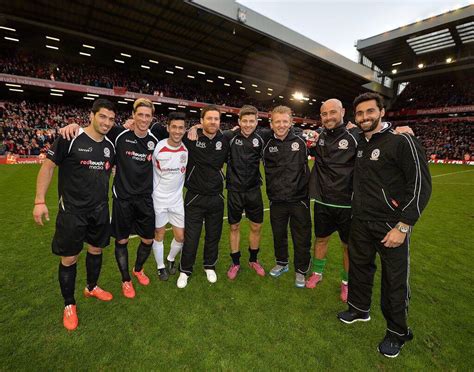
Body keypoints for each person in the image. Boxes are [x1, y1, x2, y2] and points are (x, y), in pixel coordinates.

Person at [337, 92, 432, 358]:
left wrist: (403, 226)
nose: (365, 117)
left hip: (392, 224)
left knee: (394, 280)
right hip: (361, 220)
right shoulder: (359, 141)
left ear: (381, 112)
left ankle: (397, 333)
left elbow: (420, 186)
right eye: (360, 114)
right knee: (359, 267)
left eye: (370, 112)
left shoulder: (402, 141)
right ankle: (358, 309)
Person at [60, 98, 167, 298]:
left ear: (152, 118)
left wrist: (195, 127)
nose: (144, 119)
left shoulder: (157, 139)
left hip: (145, 199)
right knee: (122, 241)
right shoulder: (118, 134)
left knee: (148, 239)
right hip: (122, 199)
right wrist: (75, 126)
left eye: (148, 115)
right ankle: (126, 279)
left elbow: (180, 135)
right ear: (133, 116)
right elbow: (93, 129)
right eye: (140, 114)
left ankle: (138, 269)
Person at [33, 99, 116, 331]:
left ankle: (91, 287)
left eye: (111, 119)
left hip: (100, 209)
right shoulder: (70, 138)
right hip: (72, 211)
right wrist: (39, 200)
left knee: (96, 249)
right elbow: (48, 167)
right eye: (102, 116)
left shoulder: (111, 145)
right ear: (92, 115)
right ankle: (69, 304)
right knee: (69, 258)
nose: (106, 122)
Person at [306, 99, 356, 301]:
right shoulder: (319, 137)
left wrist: (398, 130)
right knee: (320, 239)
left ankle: (346, 283)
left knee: (348, 246)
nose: (328, 117)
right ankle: (317, 274)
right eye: (324, 114)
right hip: (323, 201)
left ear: (343, 112)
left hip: (348, 203)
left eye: (332, 112)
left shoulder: (356, 136)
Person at [177, 105, 230, 288]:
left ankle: (209, 266)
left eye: (216, 119)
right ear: (202, 121)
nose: (213, 122)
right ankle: (185, 270)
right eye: (209, 118)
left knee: (213, 235)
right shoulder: (191, 137)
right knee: (191, 237)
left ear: (219, 122)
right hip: (195, 197)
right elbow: (166, 131)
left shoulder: (225, 140)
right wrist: (192, 128)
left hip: (216, 196)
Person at [262, 105, 311, 288]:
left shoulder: (303, 140)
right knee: (279, 235)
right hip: (277, 200)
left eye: (285, 121)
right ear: (271, 123)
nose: (281, 125)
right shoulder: (266, 142)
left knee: (301, 237)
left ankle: (301, 270)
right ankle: (282, 262)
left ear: (291, 122)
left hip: (299, 200)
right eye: (277, 122)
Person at [224, 105, 266, 280]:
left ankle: (254, 260)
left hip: (253, 190)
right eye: (245, 121)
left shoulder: (262, 138)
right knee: (234, 226)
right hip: (234, 190)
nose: (248, 125)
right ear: (239, 121)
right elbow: (208, 133)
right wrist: (195, 128)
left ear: (256, 122)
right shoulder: (229, 137)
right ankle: (235, 263)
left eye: (251, 121)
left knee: (256, 226)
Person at [151, 112, 188, 281]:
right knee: (159, 233)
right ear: (168, 128)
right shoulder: (158, 147)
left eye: (181, 127)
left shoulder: (186, 150)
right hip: (158, 199)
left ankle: (170, 259)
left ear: (185, 129)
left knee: (180, 236)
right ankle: (160, 267)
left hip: (176, 200)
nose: (177, 131)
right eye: (174, 127)